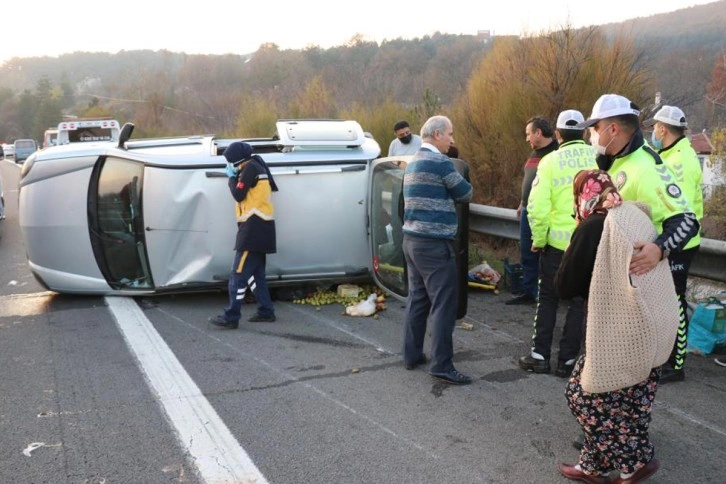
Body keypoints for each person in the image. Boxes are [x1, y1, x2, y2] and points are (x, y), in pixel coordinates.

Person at [556, 169, 680, 484]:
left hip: (619, 327)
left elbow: (565, 285)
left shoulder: (594, 225)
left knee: (582, 395)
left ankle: (634, 462)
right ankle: (592, 466)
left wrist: (576, 236)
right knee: (631, 404)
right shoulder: (634, 213)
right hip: (654, 321)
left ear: (583, 196)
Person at [578, 94, 700, 383]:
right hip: (621, 275)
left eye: (595, 128)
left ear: (613, 129)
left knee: (634, 355)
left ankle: (668, 367)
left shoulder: (647, 167)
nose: (592, 134)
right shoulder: (615, 161)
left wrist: (659, 249)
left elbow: (687, 221)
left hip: (645, 272)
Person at [518, 110, 595, 376]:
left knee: (548, 299)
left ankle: (539, 356)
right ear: (585, 132)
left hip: (554, 246)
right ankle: (568, 362)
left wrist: (538, 240)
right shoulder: (598, 158)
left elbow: (536, 207)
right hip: (586, 246)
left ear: (559, 134)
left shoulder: (550, 161)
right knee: (578, 303)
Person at [401, 115, 473, 385]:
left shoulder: (412, 162)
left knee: (418, 299)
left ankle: (411, 354)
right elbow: (465, 194)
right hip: (433, 244)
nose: (452, 140)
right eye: (450, 134)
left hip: (411, 241)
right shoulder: (441, 163)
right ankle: (442, 364)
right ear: (438, 134)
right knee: (444, 303)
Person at [645, 105, 704, 382]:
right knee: (666, 300)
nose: (652, 131)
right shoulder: (669, 154)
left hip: (681, 242)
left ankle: (676, 363)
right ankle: (663, 355)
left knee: (675, 301)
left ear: (663, 129)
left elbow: (680, 211)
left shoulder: (680, 160)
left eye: (655, 126)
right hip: (669, 240)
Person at [209, 141, 279, 329]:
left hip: (253, 230)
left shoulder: (249, 169)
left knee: (238, 274)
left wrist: (231, 179)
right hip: (261, 228)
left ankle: (231, 316)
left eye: (229, 160)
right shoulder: (256, 166)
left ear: (236, 159)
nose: (228, 163)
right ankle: (266, 311)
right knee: (256, 275)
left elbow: (239, 194)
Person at [506, 116, 558, 305]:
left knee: (546, 255)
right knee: (527, 252)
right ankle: (529, 291)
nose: (527, 138)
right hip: (529, 210)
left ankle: (546, 294)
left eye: (529, 134)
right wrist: (522, 202)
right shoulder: (534, 154)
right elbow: (529, 181)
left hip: (546, 212)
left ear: (538, 132)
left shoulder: (555, 153)